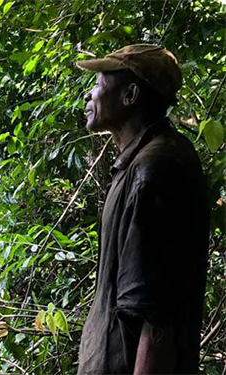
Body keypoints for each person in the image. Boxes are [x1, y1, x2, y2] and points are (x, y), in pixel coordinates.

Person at [75, 44, 209, 374]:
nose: (88, 97)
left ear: (130, 95)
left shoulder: (156, 169)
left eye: (98, 85)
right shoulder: (143, 161)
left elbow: (156, 318)